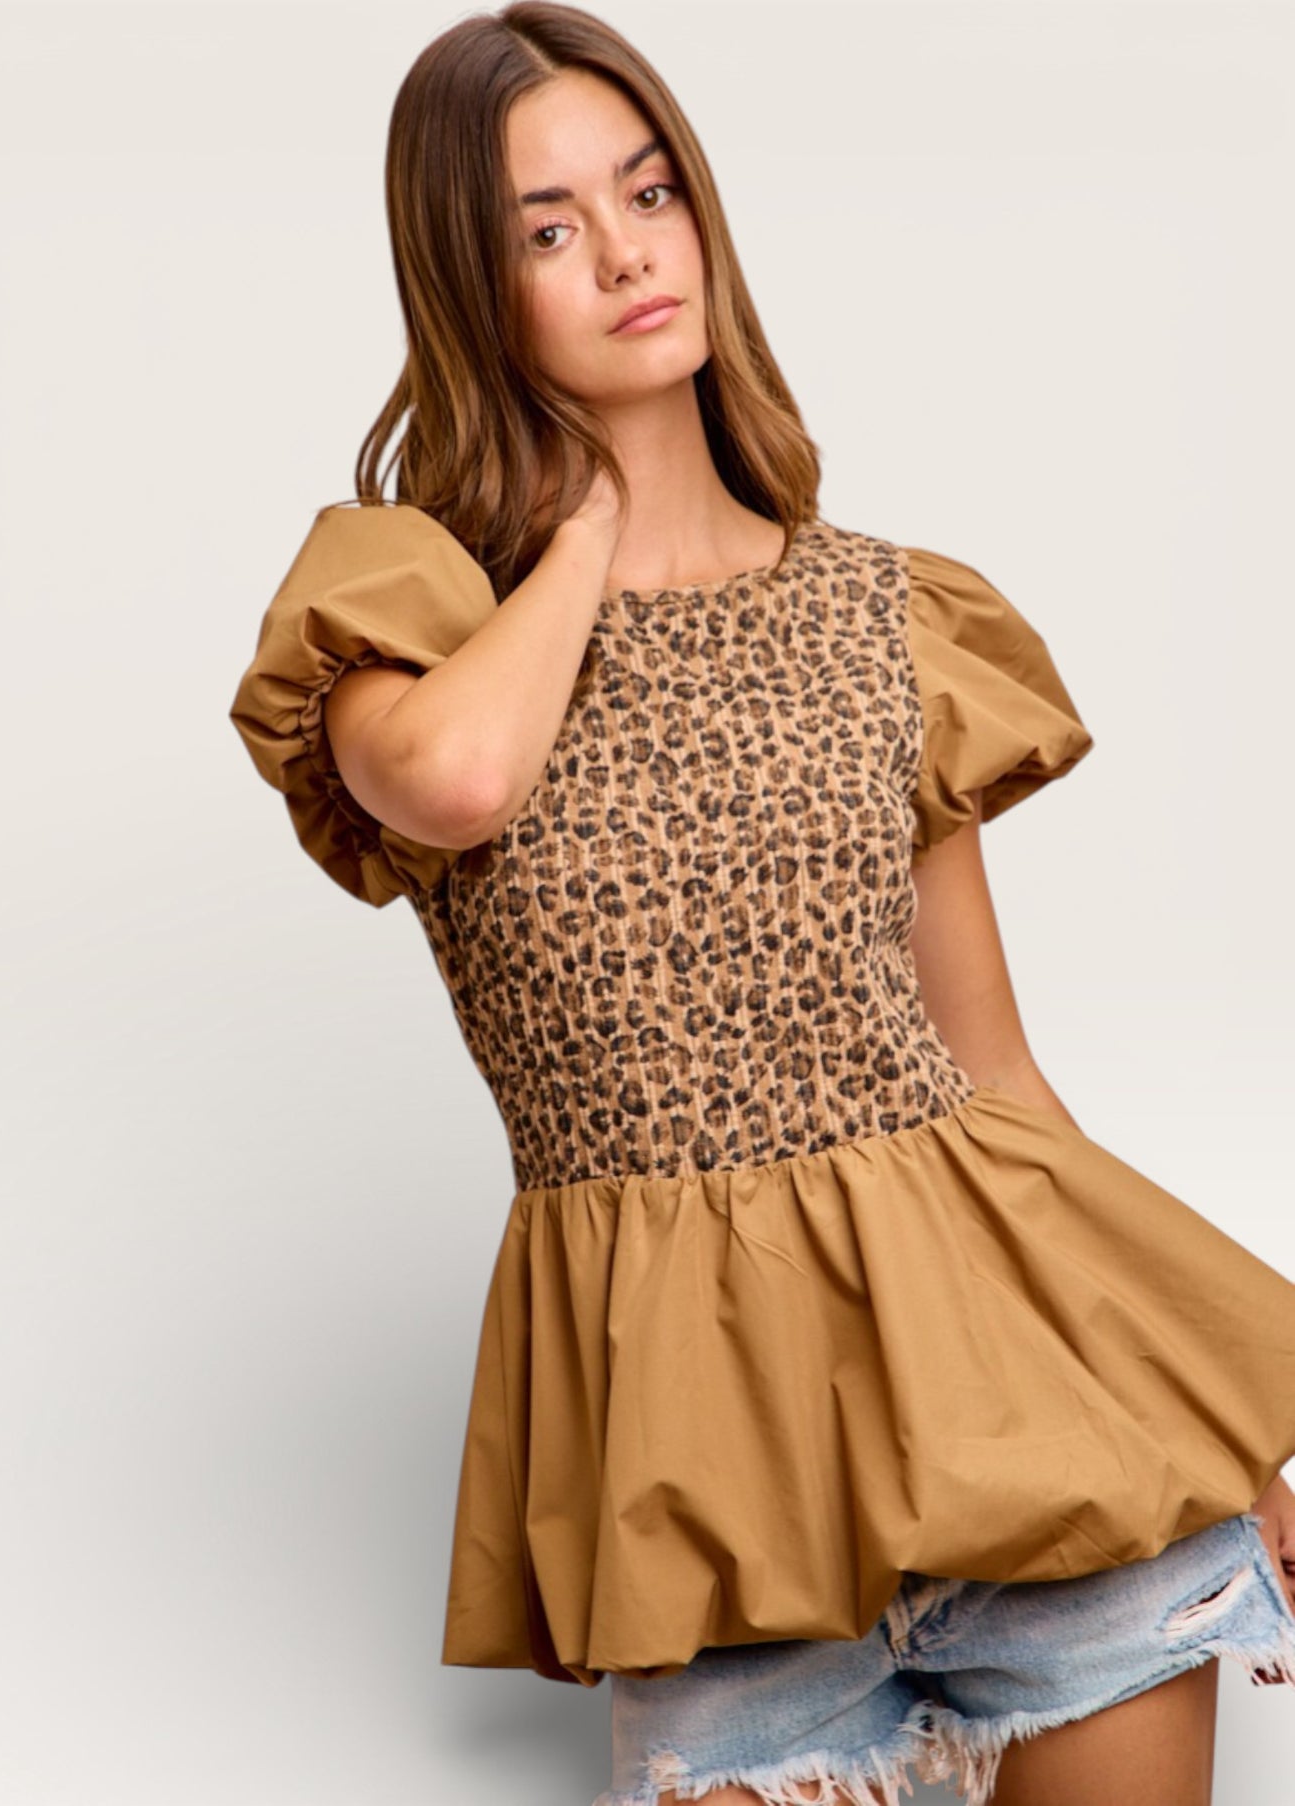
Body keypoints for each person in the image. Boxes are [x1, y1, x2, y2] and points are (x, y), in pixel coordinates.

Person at [227, 6, 1295, 1802]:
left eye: (651, 191)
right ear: (464, 284)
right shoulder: (400, 602)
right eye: (546, 227)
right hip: (716, 1538)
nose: (629, 249)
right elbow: (463, 786)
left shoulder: (894, 615)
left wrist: (1227, 1413)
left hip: (1045, 1460)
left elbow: (994, 1086)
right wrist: (581, 518)